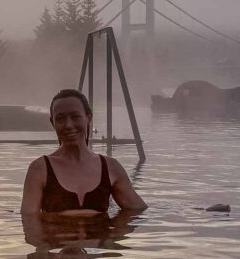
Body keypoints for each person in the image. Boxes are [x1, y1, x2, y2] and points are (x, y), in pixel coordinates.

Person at [21, 88, 147, 217]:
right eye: (60, 119)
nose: (68, 125)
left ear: (88, 117)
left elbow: (138, 211)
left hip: (100, 236)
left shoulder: (110, 167)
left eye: (75, 117)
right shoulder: (40, 169)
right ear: (52, 122)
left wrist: (114, 233)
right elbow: (29, 223)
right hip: (57, 236)